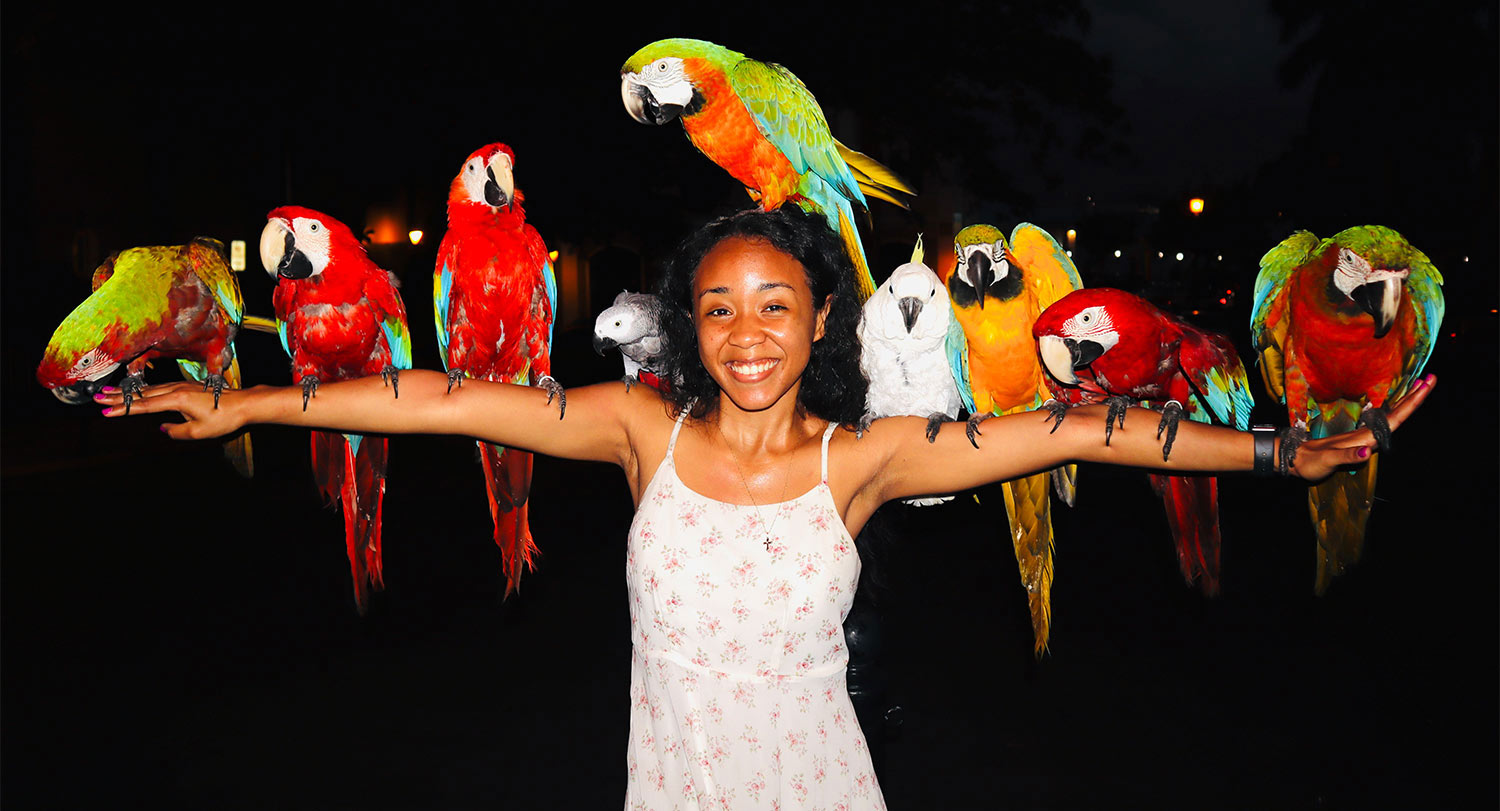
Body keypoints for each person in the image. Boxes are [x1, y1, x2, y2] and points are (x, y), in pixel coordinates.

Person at [97, 207, 1433, 809]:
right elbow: (432, 400)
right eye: (720, 308)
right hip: (673, 791)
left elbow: (1080, 425)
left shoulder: (867, 458)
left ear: (818, 324)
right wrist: (246, 407)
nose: (745, 335)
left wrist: (1282, 462)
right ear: (693, 323)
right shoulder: (636, 428)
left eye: (774, 307)